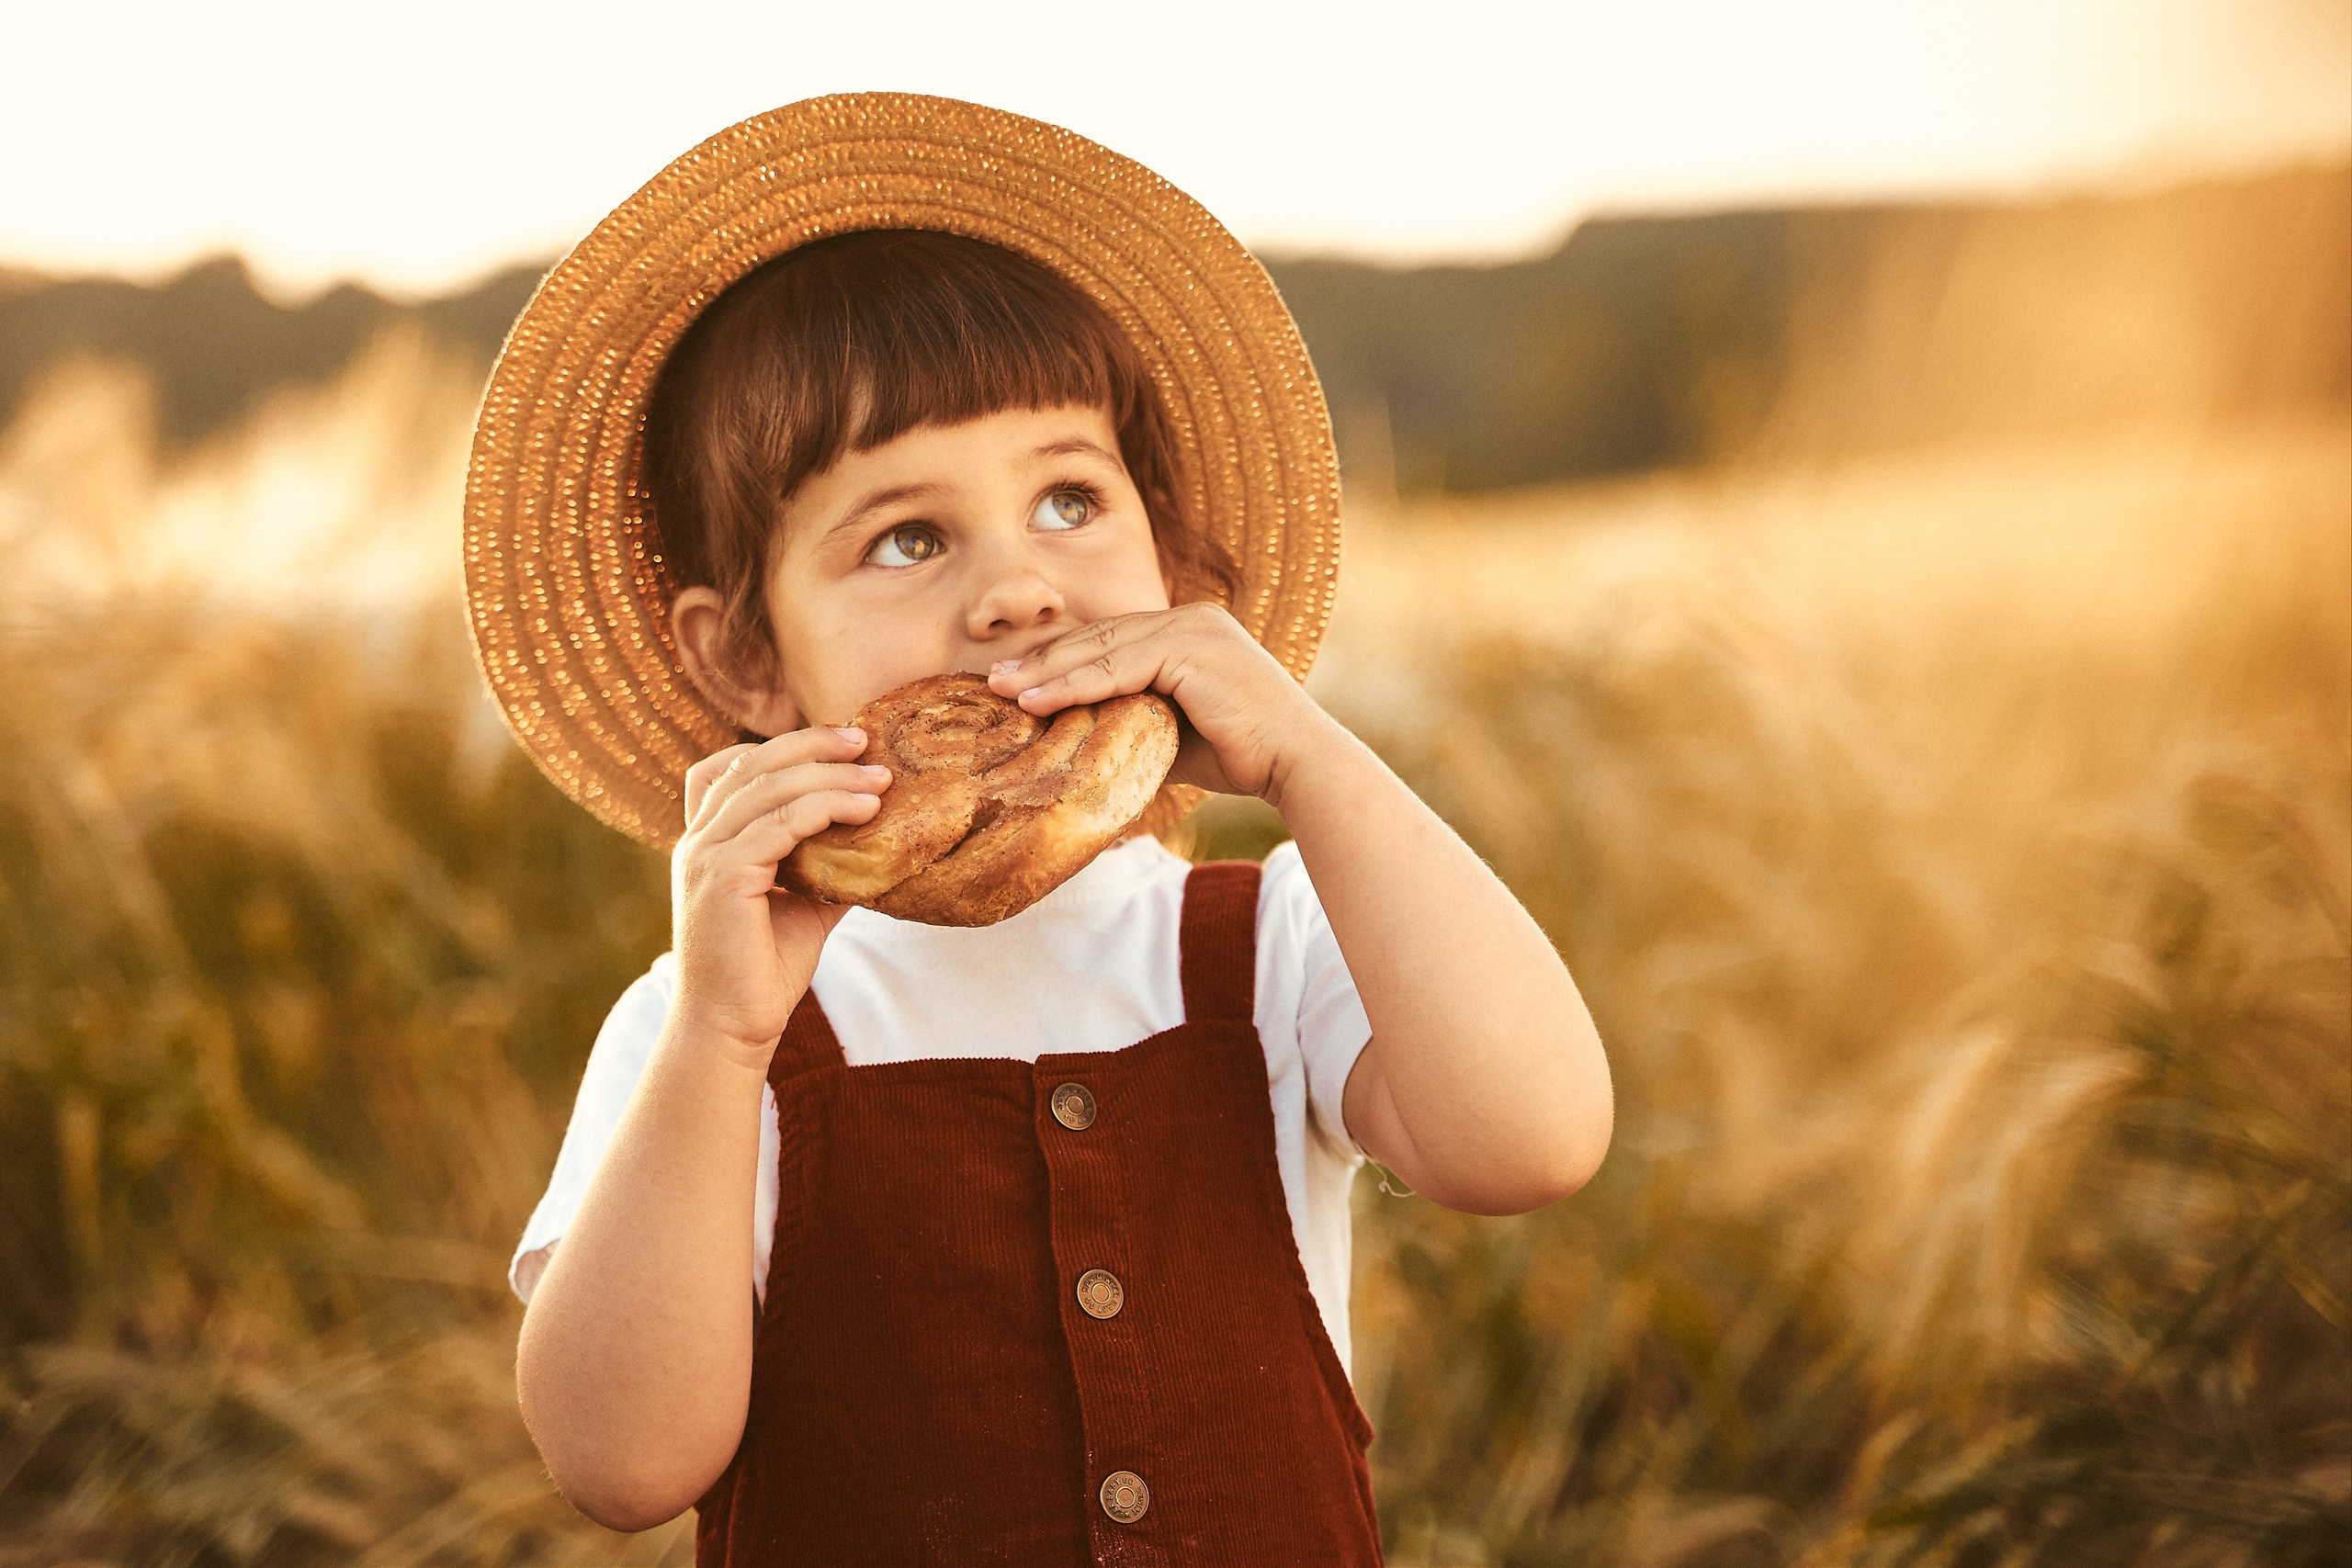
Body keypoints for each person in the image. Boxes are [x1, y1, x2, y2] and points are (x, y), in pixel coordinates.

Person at [467, 95, 1612, 1565]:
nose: (1016, 589)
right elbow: (624, 1463)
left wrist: (1314, 764)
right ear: (749, 664)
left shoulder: (1263, 945)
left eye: (1069, 498)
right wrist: (716, 1045)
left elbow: (1535, 1141)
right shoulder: (710, 1025)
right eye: (907, 537)